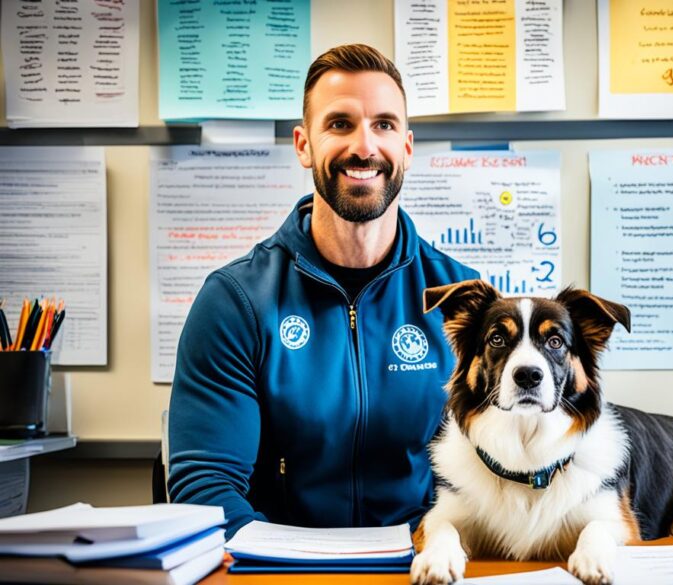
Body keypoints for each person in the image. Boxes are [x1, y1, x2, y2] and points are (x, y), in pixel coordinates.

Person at [167, 44, 478, 538]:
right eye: (339, 124)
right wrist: (290, 564)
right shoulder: (235, 301)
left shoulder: (465, 302)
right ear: (303, 144)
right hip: (279, 568)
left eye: (384, 125)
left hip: (425, 561)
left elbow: (501, 469)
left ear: (408, 147)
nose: (364, 147)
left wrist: (436, 547)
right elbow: (205, 485)